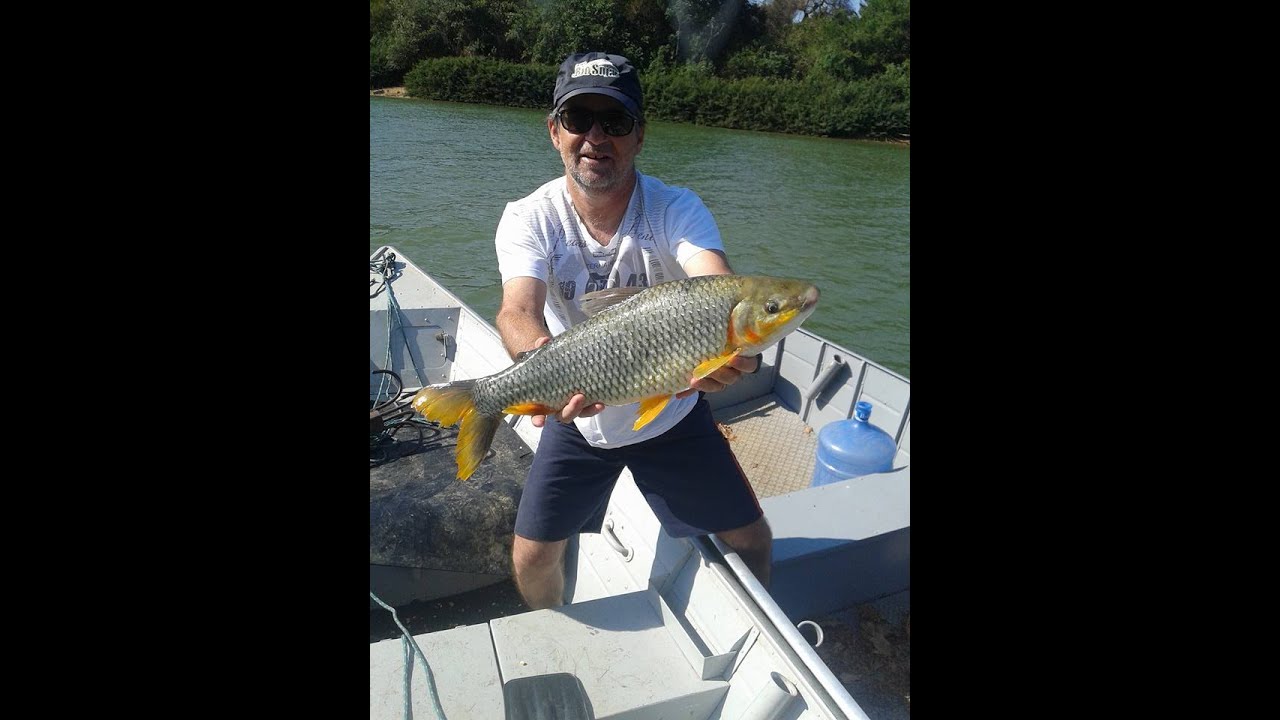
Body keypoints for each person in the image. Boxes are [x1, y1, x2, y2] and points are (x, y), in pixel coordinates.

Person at [494, 51, 771, 610]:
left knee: (753, 541)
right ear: (554, 132)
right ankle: (553, 635)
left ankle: (762, 647)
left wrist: (735, 349)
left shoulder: (676, 208)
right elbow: (517, 312)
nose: (595, 136)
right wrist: (545, 369)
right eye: (578, 120)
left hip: (672, 410)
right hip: (579, 413)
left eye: (615, 121)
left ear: (639, 136)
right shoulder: (529, 217)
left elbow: (715, 281)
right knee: (531, 555)